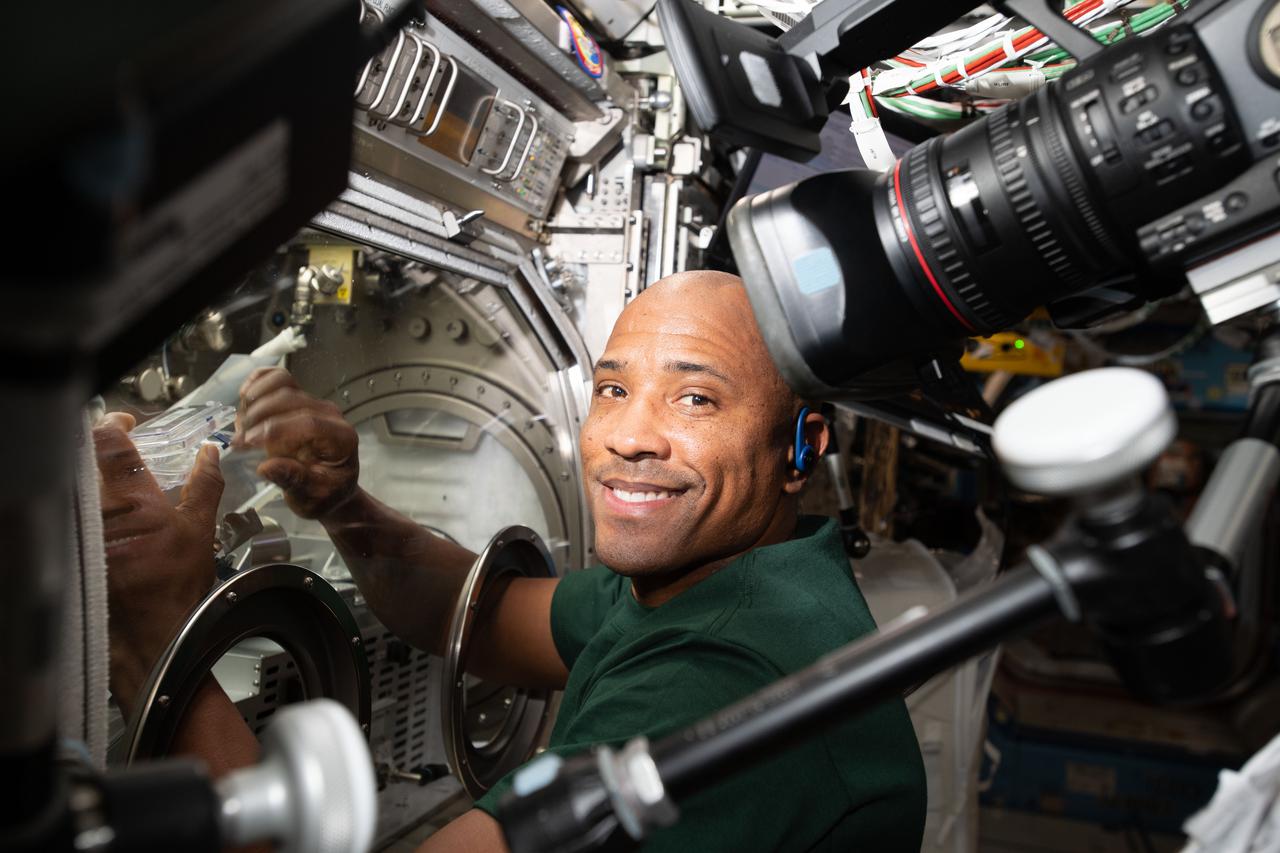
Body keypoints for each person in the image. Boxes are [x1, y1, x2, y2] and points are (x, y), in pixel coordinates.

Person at [97, 270, 926, 851]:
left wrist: (158, 633)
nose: (629, 435)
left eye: (695, 397)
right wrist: (338, 504)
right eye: (611, 389)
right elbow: (480, 614)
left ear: (801, 447)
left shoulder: (725, 676)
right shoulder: (729, 582)